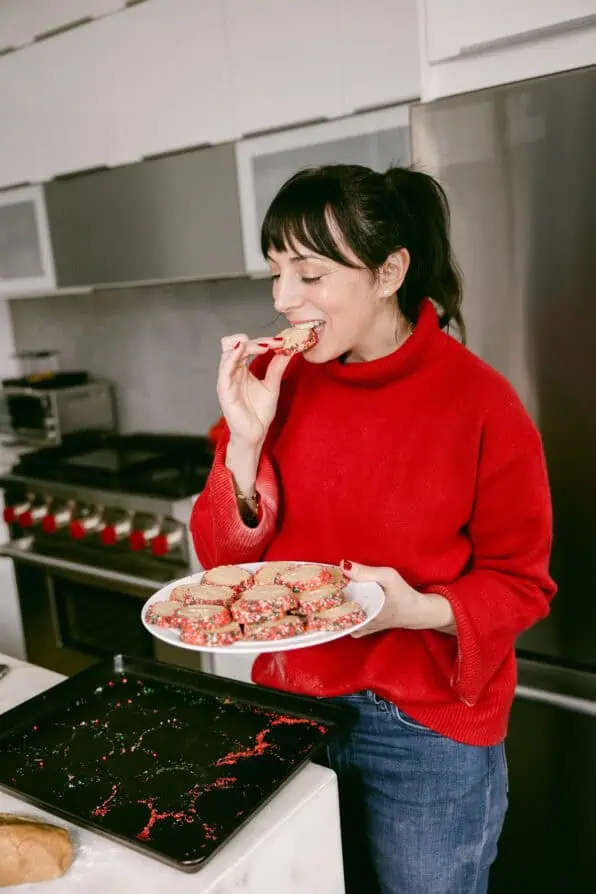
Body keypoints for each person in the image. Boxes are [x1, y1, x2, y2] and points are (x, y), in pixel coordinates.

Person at [191, 164, 556, 894]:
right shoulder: (276, 385)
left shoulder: (481, 402)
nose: (283, 301)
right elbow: (221, 557)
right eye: (275, 275)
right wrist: (245, 444)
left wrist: (409, 610)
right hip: (290, 710)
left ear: (389, 272)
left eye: (310, 275)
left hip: (425, 732)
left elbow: (522, 584)